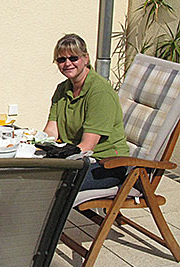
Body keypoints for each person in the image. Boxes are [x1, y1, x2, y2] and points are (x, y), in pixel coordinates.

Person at [44, 33, 129, 193]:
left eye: (73, 58)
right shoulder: (62, 89)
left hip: (106, 163)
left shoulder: (100, 93)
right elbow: (51, 131)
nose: (67, 64)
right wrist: (37, 144)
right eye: (61, 60)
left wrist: (58, 159)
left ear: (86, 58)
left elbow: (87, 146)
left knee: (50, 185)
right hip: (76, 158)